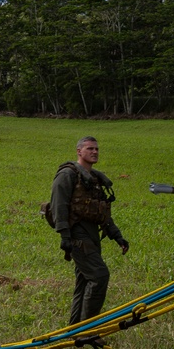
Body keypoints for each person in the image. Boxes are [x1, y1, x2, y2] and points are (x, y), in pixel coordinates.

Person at [49, 136, 129, 326]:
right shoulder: (67, 175)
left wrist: (117, 236)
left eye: (96, 149)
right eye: (90, 149)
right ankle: (88, 329)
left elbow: (101, 211)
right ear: (79, 152)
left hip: (92, 235)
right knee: (99, 275)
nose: (94, 152)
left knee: (84, 281)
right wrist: (65, 235)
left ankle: (75, 328)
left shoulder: (93, 178)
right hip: (77, 235)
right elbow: (58, 205)